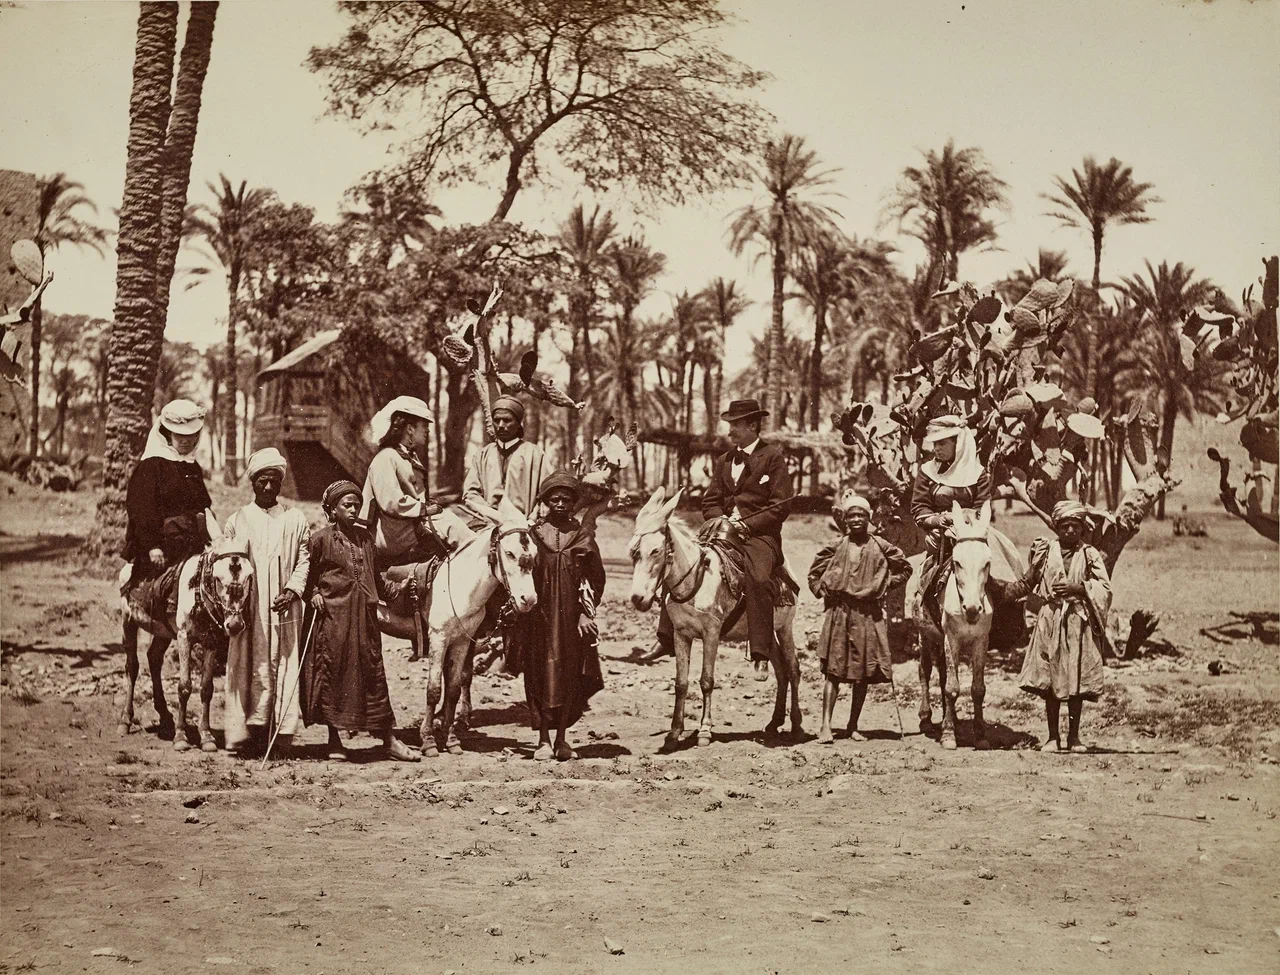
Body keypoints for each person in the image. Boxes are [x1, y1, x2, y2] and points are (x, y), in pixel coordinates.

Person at [301, 480, 421, 762]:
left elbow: (375, 578)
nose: (354, 510)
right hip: (332, 621)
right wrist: (314, 593)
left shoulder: (366, 539)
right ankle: (334, 740)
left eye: (357, 505)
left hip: (364, 620)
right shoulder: (320, 540)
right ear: (333, 509)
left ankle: (389, 740)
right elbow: (305, 576)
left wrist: (399, 589)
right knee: (333, 675)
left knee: (372, 674)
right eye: (347, 505)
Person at [222, 448, 312, 757]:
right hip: (249, 608)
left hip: (285, 606)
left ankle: (281, 735)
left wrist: (292, 590)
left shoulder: (295, 519)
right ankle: (251, 733)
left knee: (284, 662)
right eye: (263, 481)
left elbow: (304, 560)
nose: (269, 487)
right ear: (253, 483)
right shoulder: (237, 520)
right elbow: (229, 567)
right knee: (248, 662)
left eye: (275, 481)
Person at [809, 491, 912, 744]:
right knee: (833, 671)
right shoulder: (836, 545)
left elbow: (905, 568)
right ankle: (825, 726)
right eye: (851, 516)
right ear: (845, 520)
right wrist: (820, 589)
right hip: (840, 613)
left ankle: (853, 726)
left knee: (863, 673)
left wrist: (885, 584)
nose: (856, 520)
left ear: (869, 518)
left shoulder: (881, 545)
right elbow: (814, 574)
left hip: (868, 613)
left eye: (861, 515)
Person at [1009, 501, 1112, 753]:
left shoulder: (1089, 554)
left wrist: (1079, 588)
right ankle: (1053, 738)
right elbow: (1029, 581)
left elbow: (1105, 588)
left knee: (1076, 680)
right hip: (1050, 619)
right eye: (1065, 526)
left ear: (1082, 528)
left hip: (1077, 620)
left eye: (1075, 526)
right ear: (1057, 527)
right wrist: (1004, 592)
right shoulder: (1045, 551)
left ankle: (1074, 738)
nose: (1070, 531)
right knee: (1050, 680)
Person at [516, 470, 606, 761]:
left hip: (570, 619)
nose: (560, 504)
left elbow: (595, 579)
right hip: (538, 617)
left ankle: (562, 739)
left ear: (573, 502)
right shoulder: (532, 535)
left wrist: (586, 614)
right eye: (554, 499)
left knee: (568, 675)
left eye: (566, 499)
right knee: (539, 673)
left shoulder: (582, 536)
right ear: (545, 501)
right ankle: (543, 740)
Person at [699, 398, 794, 668]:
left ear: (753, 425)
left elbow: (781, 505)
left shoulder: (773, 457)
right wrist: (720, 520)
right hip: (722, 531)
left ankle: (760, 651)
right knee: (681, 558)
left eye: (736, 425)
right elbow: (710, 501)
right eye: (729, 424)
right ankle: (666, 636)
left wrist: (747, 525)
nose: (730, 431)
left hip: (759, 536)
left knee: (759, 578)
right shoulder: (724, 460)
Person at [361, 395, 474, 595]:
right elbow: (391, 502)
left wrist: (430, 504)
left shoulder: (407, 457)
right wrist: (424, 509)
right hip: (389, 532)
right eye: (424, 425)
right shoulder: (386, 457)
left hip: (406, 525)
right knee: (448, 523)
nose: (428, 431)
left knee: (453, 527)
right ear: (410, 429)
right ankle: (479, 563)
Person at [122, 399, 215, 620]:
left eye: (191, 435)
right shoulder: (151, 465)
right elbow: (142, 509)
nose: (186, 440)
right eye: (179, 435)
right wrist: (153, 546)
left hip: (191, 543)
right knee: (159, 593)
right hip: (161, 546)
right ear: (167, 434)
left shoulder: (192, 467)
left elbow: (203, 508)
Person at [462, 395, 547, 517]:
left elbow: (547, 493)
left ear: (518, 423)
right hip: (488, 521)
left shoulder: (535, 454)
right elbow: (470, 492)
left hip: (525, 523)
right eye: (497, 420)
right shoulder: (482, 455)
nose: (501, 425)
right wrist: (489, 513)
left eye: (507, 420)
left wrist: (532, 519)